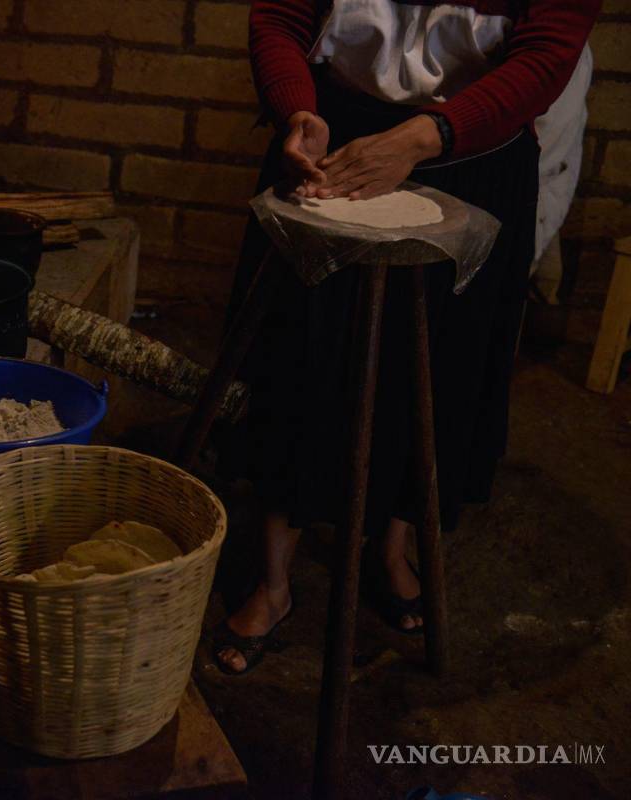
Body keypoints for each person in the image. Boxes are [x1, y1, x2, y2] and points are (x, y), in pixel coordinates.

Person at [214, 0, 600, 674]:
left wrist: (423, 139)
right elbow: (281, 16)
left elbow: (545, 58)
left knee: (436, 372)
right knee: (299, 357)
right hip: (336, 136)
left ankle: (389, 544)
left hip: (473, 149)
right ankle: (273, 582)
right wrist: (295, 108)